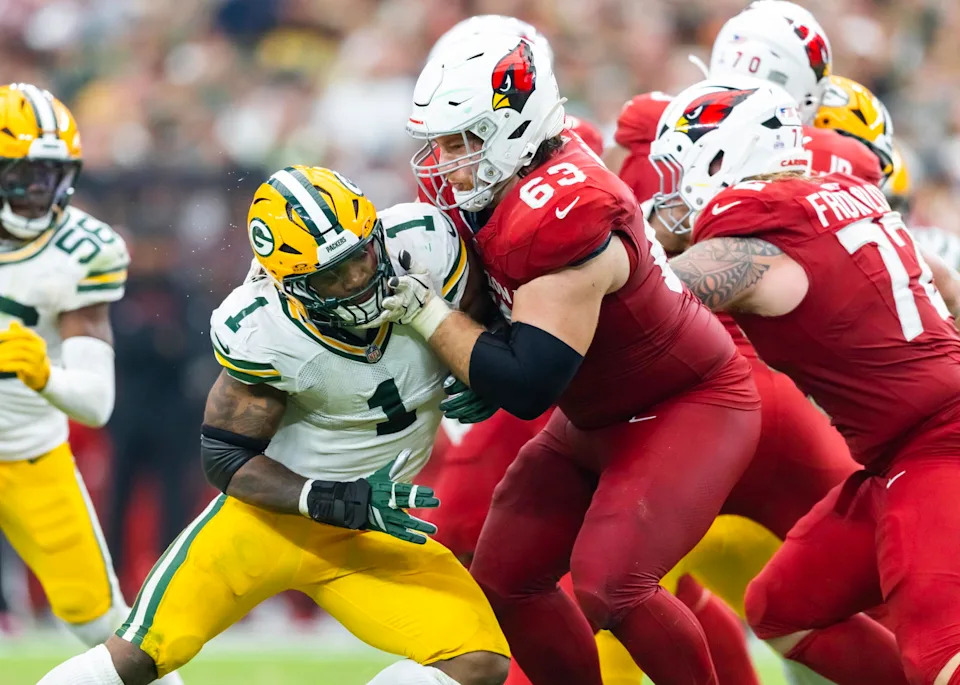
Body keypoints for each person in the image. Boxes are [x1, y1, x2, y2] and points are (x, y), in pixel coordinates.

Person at [375, 31, 763, 685]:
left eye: (464, 140)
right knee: (505, 574)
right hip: (597, 414)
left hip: (682, 406)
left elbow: (529, 382)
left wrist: (434, 320)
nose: (446, 162)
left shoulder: (565, 208)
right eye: (441, 140)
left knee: (614, 584)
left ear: (515, 126)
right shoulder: (510, 186)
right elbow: (506, 317)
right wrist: (474, 347)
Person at [39, 166, 510, 685]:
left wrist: (482, 369)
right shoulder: (265, 330)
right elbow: (224, 455)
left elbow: (489, 315)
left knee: (477, 660)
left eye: (359, 256)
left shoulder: (424, 247)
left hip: (369, 526)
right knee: (135, 657)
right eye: (331, 276)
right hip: (266, 521)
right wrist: (322, 496)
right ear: (291, 285)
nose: (357, 281)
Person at [653, 77, 960, 685]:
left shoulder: (763, 242)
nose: (675, 190)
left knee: (939, 659)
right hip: (895, 453)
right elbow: (945, 284)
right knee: (780, 606)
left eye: (685, 165)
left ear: (725, 155)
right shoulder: (843, 191)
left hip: (933, 448)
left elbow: (654, 296)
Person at [0, 82, 183, 685]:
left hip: (25, 451)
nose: (38, 194)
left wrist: (41, 370)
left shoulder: (81, 250)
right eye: (24, 176)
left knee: (95, 616)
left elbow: (97, 401)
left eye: (52, 177)